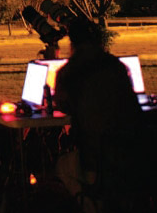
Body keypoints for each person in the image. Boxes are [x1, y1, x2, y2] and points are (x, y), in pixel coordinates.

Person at [54, 18, 150, 211]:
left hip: (96, 158)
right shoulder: (117, 66)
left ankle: (91, 205)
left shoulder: (69, 73)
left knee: (62, 166)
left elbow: (62, 106)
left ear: (73, 43)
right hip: (133, 152)